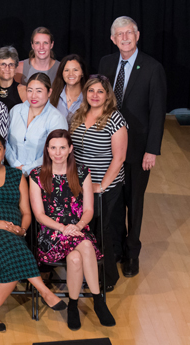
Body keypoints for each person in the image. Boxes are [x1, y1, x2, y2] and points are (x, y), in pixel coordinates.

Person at [0, 133, 66, 332]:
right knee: (17, 250)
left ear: (4, 151)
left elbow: (26, 212)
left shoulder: (16, 175)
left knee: (13, 250)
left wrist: (23, 229)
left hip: (12, 231)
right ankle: (44, 291)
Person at [98, 16, 167, 278]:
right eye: (119, 34)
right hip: (109, 147)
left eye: (129, 33)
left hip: (138, 149)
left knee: (134, 202)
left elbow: (158, 112)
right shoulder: (105, 62)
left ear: (137, 36)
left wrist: (152, 150)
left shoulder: (152, 67)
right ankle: (115, 247)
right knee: (113, 200)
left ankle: (132, 253)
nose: (125, 38)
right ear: (113, 39)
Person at [29, 129, 115, 330]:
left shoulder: (83, 172)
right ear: (47, 150)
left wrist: (76, 226)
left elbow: (88, 210)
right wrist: (63, 228)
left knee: (76, 258)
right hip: (51, 235)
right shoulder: (36, 175)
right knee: (85, 245)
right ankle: (98, 299)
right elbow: (39, 215)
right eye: (53, 148)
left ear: (70, 149)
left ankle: (73, 306)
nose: (57, 153)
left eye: (62, 148)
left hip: (78, 229)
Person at [69, 75, 128, 290]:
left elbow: (119, 158)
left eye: (100, 91)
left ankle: (108, 277)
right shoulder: (78, 115)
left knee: (101, 231)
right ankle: (86, 272)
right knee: (86, 230)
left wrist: (100, 186)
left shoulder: (115, 119)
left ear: (107, 95)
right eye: (91, 90)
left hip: (106, 186)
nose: (95, 95)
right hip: (81, 185)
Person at [6, 73, 68, 175]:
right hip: (13, 171)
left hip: (42, 174)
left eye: (39, 91)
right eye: (30, 90)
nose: (33, 95)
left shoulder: (56, 118)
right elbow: (5, 140)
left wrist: (27, 169)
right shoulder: (15, 111)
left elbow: (56, 151)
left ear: (49, 92)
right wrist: (15, 164)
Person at [49, 55, 88, 120]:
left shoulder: (89, 97)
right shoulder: (51, 96)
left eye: (75, 70)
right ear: (62, 73)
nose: (71, 74)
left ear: (82, 73)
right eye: (67, 70)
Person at [0, 46, 25, 111]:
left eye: (11, 64)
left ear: (16, 68)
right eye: (3, 64)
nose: (7, 68)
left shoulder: (24, 91)